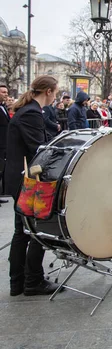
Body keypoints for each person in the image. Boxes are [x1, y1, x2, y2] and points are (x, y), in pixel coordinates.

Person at [6, 76, 61, 296]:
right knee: (37, 230)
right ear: (48, 91)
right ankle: (32, 281)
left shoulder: (29, 110)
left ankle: (18, 283)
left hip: (18, 178)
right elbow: (38, 150)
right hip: (26, 181)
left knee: (22, 231)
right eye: (55, 92)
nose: (56, 96)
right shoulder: (31, 113)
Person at [0, 84, 10, 200]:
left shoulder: (3, 107)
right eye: (3, 92)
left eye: (6, 92)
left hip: (4, 143)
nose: (6, 94)